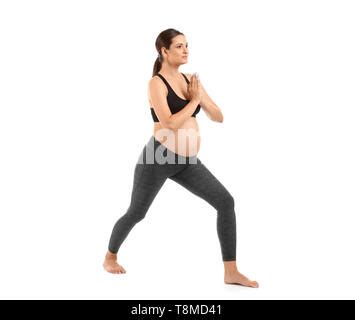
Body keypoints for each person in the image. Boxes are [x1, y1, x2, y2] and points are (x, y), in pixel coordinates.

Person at [103, 28, 259, 288]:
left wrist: (199, 98)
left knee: (225, 201)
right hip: (158, 158)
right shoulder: (156, 83)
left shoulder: (190, 80)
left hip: (187, 161)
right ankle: (110, 257)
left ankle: (231, 271)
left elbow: (219, 116)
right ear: (164, 51)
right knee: (137, 213)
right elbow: (169, 123)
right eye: (178, 46)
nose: (185, 49)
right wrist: (194, 101)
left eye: (187, 45)